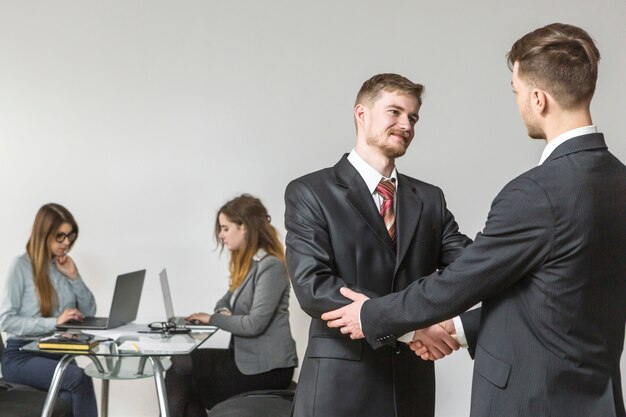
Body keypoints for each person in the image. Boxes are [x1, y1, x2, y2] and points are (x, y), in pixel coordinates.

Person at [323, 23, 626, 417]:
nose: (518, 102)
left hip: (532, 401)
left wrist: (372, 315)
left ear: (538, 99)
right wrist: (461, 329)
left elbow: (460, 281)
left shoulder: (535, 193)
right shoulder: (619, 182)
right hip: (597, 399)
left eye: (516, 92)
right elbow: (559, 293)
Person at [284, 73, 472, 417]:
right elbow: (314, 287)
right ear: (362, 114)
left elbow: (470, 267)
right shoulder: (310, 192)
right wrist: (413, 327)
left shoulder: (429, 198)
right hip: (339, 387)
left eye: (413, 117)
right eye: (395, 112)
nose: (406, 125)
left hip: (410, 385)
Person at [165, 194, 298, 416]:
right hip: (246, 358)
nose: (221, 235)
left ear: (243, 227)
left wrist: (213, 318)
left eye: (225, 228)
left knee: (184, 372)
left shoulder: (271, 266)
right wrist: (223, 312)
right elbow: (224, 301)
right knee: (182, 365)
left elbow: (254, 324)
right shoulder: (248, 266)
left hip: (267, 368)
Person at [0, 203, 98, 417]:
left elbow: (90, 311)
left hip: (57, 353)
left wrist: (75, 277)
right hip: (21, 356)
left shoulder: (61, 266)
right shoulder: (20, 267)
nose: (66, 243)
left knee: (70, 397)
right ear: (43, 234)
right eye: (60, 237)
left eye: (70, 237)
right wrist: (54, 321)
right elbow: (5, 321)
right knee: (79, 378)